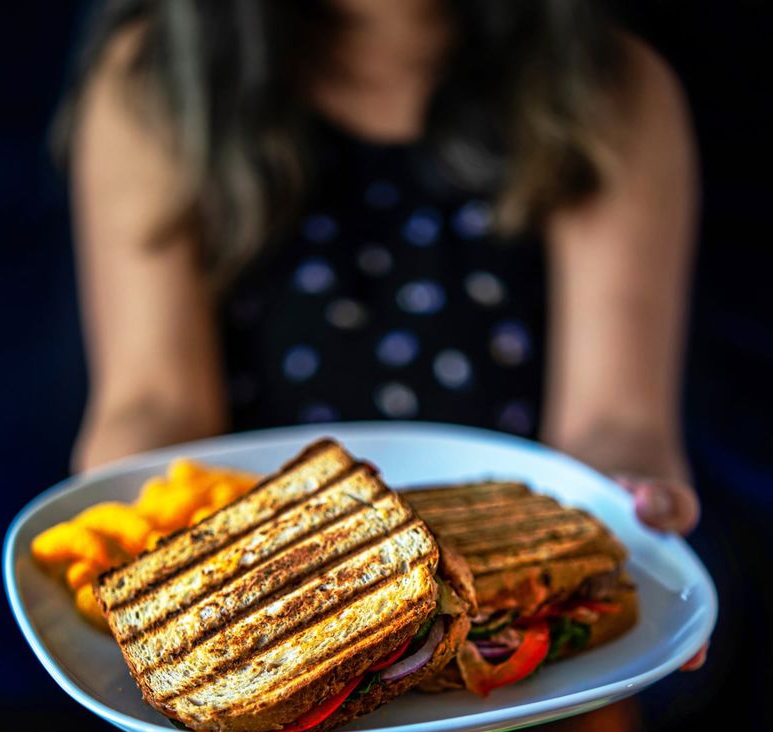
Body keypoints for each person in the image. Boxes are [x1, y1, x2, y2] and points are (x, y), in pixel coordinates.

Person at [61, 0, 703, 667]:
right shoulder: (154, 79)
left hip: (533, 662)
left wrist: (629, 508)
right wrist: (138, 558)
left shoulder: (614, 83)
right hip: (238, 644)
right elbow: (155, 403)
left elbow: (616, 419)